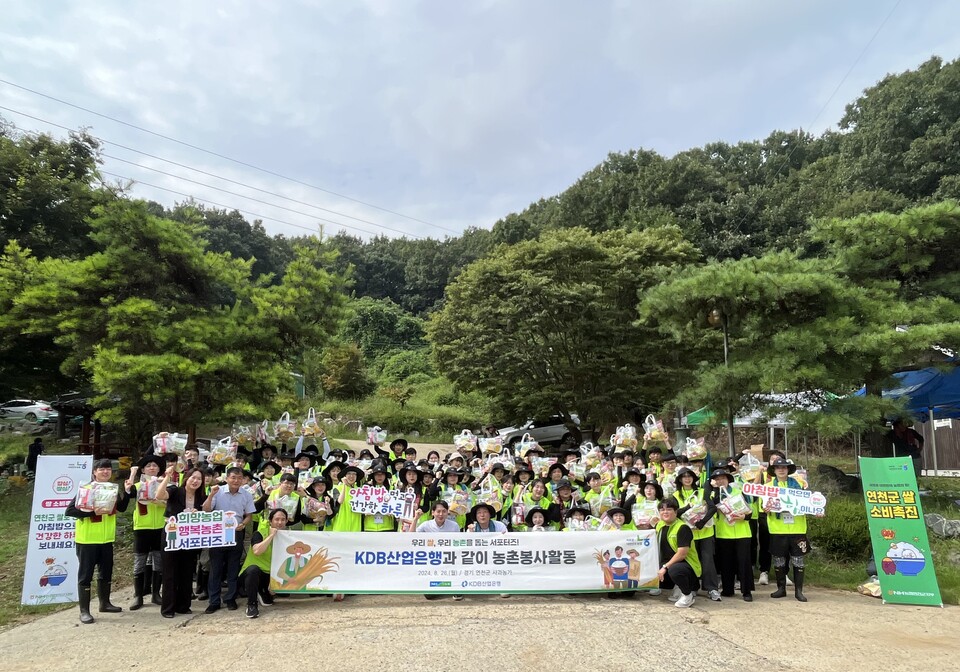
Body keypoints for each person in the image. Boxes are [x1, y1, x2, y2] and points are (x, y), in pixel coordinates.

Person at [65, 459, 131, 624]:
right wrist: (93, 512)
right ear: (94, 472)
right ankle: (84, 611)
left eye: (108, 469)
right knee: (86, 575)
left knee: (106, 572)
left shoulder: (112, 489)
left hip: (106, 539)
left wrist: (128, 492)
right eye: (102, 469)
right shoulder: (86, 489)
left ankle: (105, 603)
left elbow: (121, 508)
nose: (105, 472)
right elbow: (70, 511)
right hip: (87, 540)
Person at [155, 465, 208, 617]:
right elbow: (159, 495)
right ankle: (168, 608)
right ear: (187, 479)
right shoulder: (175, 491)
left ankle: (183, 605)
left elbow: (206, 513)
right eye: (193, 477)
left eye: (199, 479)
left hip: (190, 537)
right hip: (172, 534)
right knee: (170, 571)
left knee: (186, 570)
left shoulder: (201, 496)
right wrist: (167, 477)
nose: (195, 481)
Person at [202, 467, 256, 613]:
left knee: (233, 567)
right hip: (218, 533)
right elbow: (206, 510)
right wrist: (210, 495)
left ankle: (230, 598)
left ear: (243, 479)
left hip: (236, 533)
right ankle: (214, 601)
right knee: (215, 568)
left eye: (239, 478)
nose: (236, 481)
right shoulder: (217, 491)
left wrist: (243, 524)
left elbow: (249, 515)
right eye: (233, 477)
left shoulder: (246, 494)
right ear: (227, 478)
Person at [124, 456, 166, 611]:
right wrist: (131, 476)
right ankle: (138, 595)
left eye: (155, 465)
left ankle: (156, 594)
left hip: (160, 526)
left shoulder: (164, 484)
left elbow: (170, 503)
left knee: (158, 561)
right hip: (142, 528)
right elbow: (128, 494)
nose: (152, 468)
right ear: (143, 469)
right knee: (139, 562)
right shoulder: (137, 485)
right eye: (148, 466)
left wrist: (160, 502)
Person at [766, 460, 810, 602]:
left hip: (797, 528)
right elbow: (763, 506)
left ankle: (799, 591)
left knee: (798, 560)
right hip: (778, 529)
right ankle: (781, 589)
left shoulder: (800, 484)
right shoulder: (768, 487)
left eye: (784, 467)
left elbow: (809, 503)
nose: (781, 470)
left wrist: (817, 509)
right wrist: (766, 508)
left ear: (788, 469)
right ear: (774, 470)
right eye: (778, 467)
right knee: (779, 560)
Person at [710, 469, 754, 602]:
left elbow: (750, 511)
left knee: (744, 562)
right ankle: (728, 589)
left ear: (728, 479)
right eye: (717, 479)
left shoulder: (739, 490)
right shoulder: (712, 494)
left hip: (742, 532)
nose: (720, 481)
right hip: (723, 533)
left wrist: (744, 516)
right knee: (726, 563)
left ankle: (747, 591)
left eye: (722, 478)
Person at [239, 508, 288, 618]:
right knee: (253, 570)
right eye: (277, 519)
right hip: (253, 574)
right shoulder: (259, 534)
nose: (280, 522)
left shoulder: (288, 537)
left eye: (283, 519)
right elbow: (257, 551)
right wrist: (271, 536)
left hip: (271, 575)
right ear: (270, 521)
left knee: (282, 595)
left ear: (286, 521)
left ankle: (263, 591)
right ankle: (252, 605)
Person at [655, 496, 701, 608]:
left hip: (686, 565)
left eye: (669, 509)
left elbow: (682, 554)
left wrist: (665, 567)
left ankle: (687, 595)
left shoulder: (683, 528)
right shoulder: (660, 525)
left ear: (676, 512)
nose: (665, 512)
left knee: (675, 570)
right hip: (668, 564)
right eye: (662, 510)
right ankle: (677, 585)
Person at [416, 500, 463, 601]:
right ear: (433, 513)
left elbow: (459, 544)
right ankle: (441, 585)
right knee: (429, 595)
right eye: (438, 511)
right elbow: (412, 537)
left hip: (450, 560)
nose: (441, 514)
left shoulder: (454, 525)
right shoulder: (426, 525)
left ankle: (454, 586)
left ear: (447, 512)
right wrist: (416, 518)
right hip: (433, 560)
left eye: (444, 511)